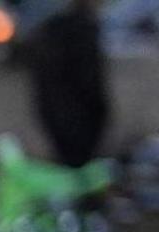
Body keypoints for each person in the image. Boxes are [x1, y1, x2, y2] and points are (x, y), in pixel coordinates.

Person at [21, 0, 111, 167]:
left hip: (60, 113)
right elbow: (91, 82)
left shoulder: (50, 29)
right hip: (75, 116)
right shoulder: (79, 29)